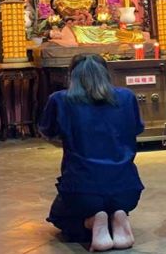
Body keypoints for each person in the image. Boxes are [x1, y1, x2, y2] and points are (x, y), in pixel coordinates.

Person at [38, 54, 145, 251]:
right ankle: (118, 214)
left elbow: (47, 131)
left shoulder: (60, 99)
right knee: (112, 197)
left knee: (59, 217)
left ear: (72, 75)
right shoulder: (127, 96)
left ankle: (93, 220)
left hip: (82, 187)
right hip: (127, 189)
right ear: (106, 73)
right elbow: (137, 129)